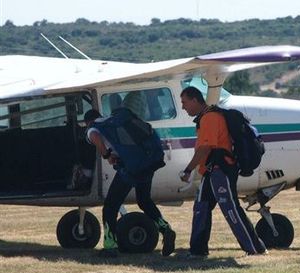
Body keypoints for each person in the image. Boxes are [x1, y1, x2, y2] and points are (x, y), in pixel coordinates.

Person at [179, 86, 267, 257]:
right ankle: (197, 250)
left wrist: (188, 169)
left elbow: (205, 148)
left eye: (185, 102)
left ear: (195, 100)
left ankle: (255, 248)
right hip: (211, 170)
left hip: (220, 170)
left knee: (231, 208)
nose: (183, 107)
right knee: (201, 208)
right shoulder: (207, 117)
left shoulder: (210, 118)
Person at [84, 109, 176, 258]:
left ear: (87, 122)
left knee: (110, 206)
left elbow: (93, 135)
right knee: (144, 200)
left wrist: (106, 154)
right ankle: (165, 229)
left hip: (130, 169)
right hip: (148, 163)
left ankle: (110, 246)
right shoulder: (115, 121)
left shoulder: (94, 127)